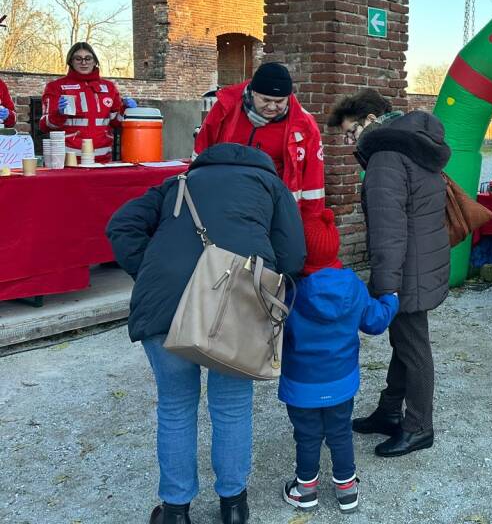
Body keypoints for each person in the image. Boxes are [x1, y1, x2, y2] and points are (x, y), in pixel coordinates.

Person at [106, 143, 305, 524]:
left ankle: (176, 511)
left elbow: (121, 225)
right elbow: (293, 256)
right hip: (236, 310)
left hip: (165, 304)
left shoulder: (176, 182)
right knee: (231, 406)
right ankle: (233, 506)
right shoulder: (270, 186)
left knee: (175, 406)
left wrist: (148, 268)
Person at [328, 88, 451, 459]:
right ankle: (388, 411)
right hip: (421, 261)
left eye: (351, 133)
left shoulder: (384, 156)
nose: (350, 143)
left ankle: (418, 427)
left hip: (405, 270)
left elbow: (388, 230)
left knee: (414, 348)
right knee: (405, 342)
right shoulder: (414, 144)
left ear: (369, 121)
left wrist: (386, 287)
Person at [280, 208, 398, 514]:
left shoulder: (289, 291)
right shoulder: (353, 286)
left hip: (301, 384)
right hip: (340, 382)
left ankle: (305, 490)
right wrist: (391, 300)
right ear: (336, 246)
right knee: (340, 433)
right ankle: (347, 490)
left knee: (306, 436)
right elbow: (374, 323)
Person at [194, 62, 325, 216]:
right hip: (223, 200)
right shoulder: (224, 109)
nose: (271, 107)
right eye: (266, 100)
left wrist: (312, 223)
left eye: (279, 102)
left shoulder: (305, 126)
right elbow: (200, 155)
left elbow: (313, 182)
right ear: (253, 92)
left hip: (273, 208)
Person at [40, 42, 136, 162]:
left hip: (103, 159)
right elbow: (44, 126)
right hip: (68, 160)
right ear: (71, 62)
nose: (83, 62)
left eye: (88, 58)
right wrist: (59, 114)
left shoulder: (109, 87)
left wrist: (125, 110)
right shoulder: (56, 87)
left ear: (95, 61)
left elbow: (115, 123)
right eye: (78, 59)